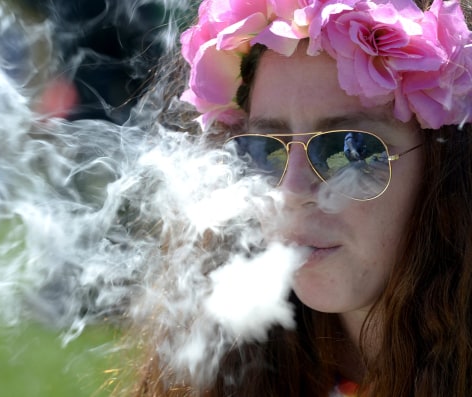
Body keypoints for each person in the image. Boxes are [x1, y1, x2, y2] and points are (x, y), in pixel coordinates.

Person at [113, 0, 472, 396]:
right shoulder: (226, 375)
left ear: (448, 171)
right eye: (265, 150)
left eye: (349, 150)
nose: (292, 190)